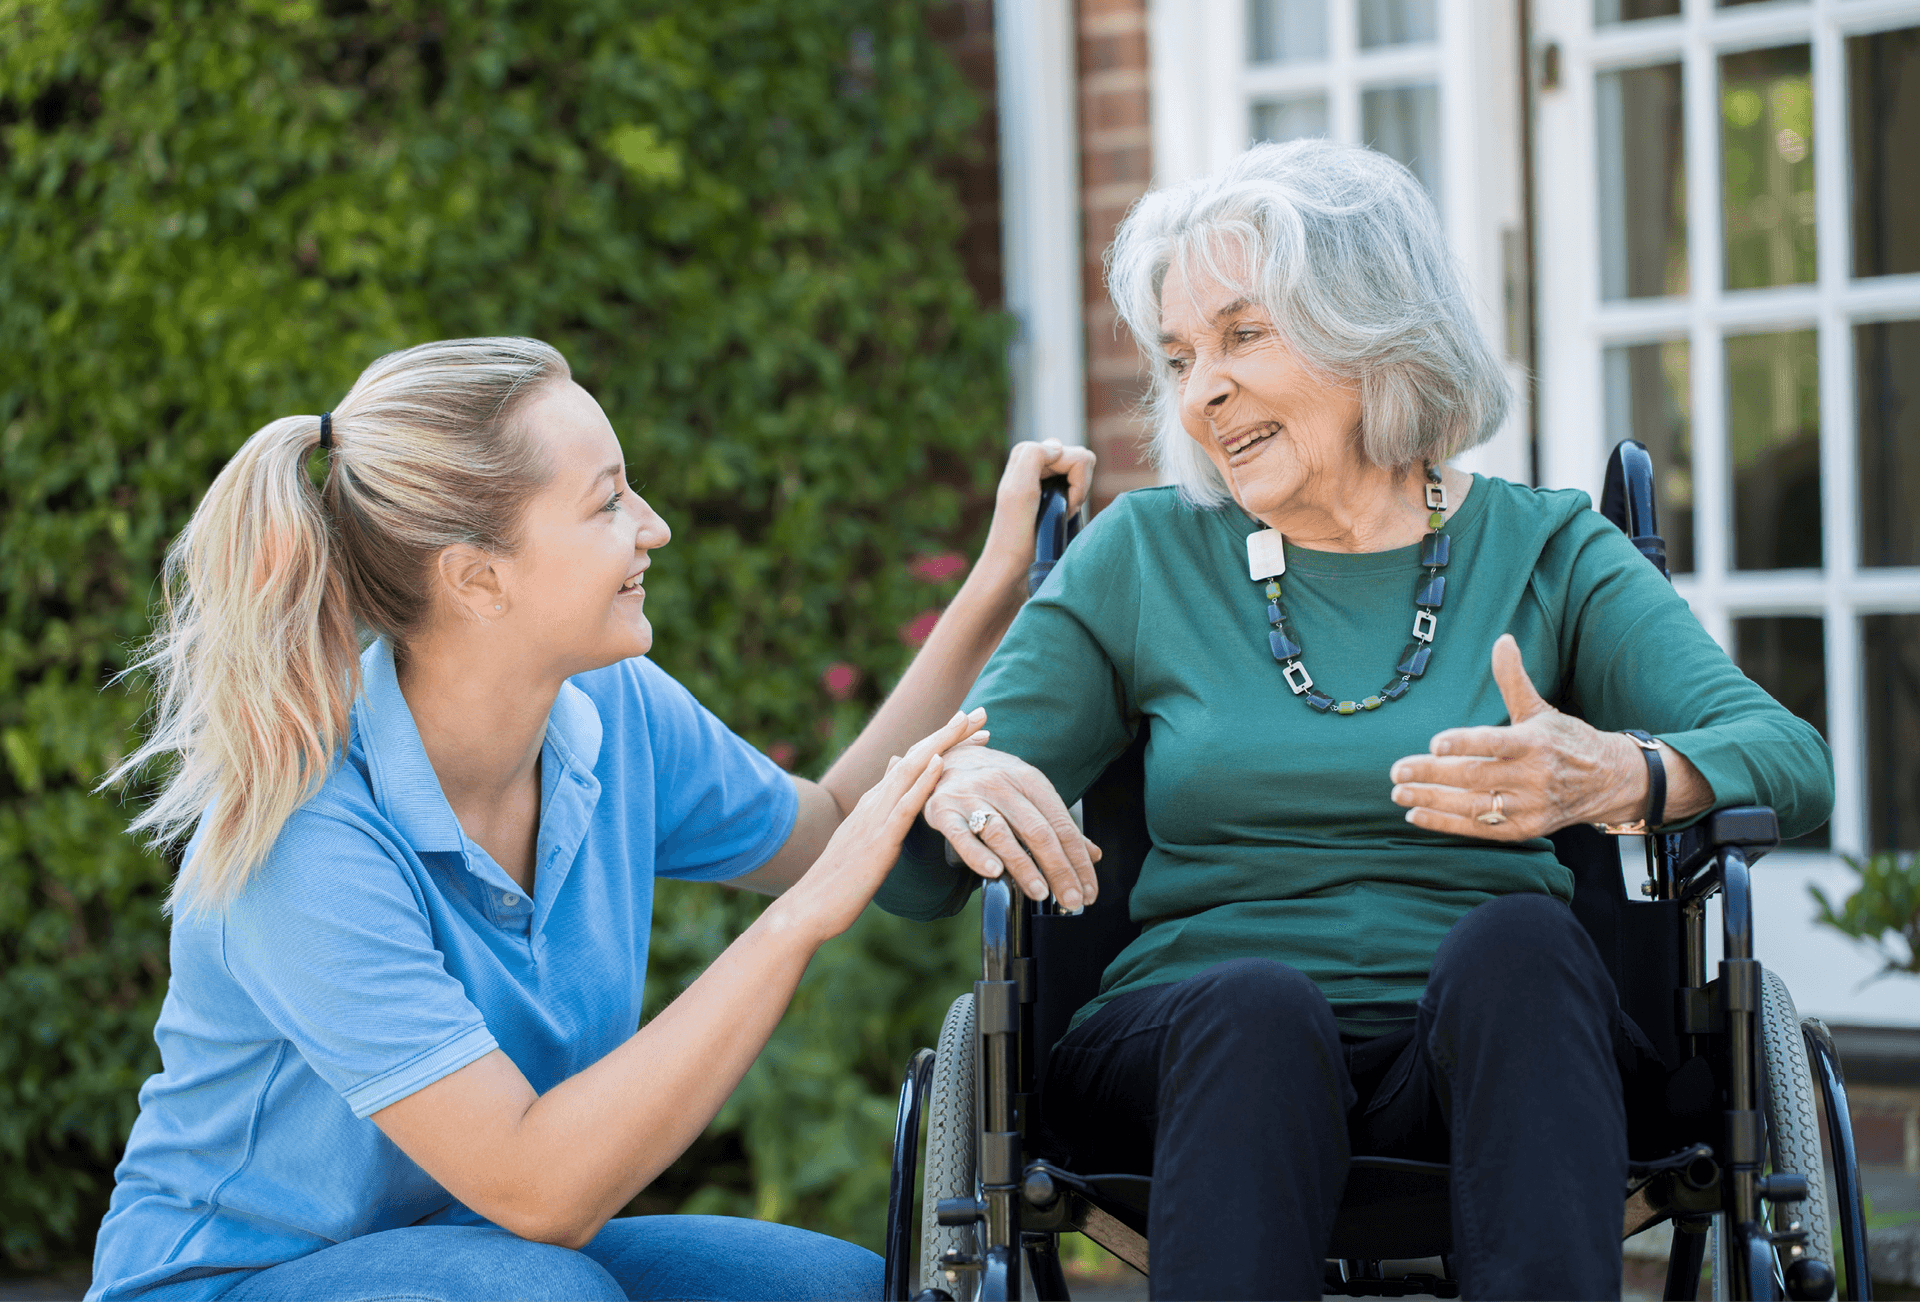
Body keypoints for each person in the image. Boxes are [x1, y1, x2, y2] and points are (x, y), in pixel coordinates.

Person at [875, 139, 1833, 1301]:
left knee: (1526, 952)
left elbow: (1792, 761)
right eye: (1180, 357)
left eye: (1242, 335)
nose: (1200, 392)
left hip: (1490, 1054)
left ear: (1373, 328)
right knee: (1258, 1004)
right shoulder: (1146, 555)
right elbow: (915, 877)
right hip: (1194, 1049)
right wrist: (958, 789)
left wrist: (1621, 775)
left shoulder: (1545, 547)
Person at [88, 337, 1092, 1302]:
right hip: (230, 1283)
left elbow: (829, 827)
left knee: (834, 1291)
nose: (652, 525)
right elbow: (542, 1191)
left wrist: (998, 581)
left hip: (472, 1254)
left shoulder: (614, 713)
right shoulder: (305, 835)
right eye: (609, 500)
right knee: (543, 1290)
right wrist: (796, 925)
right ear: (477, 577)